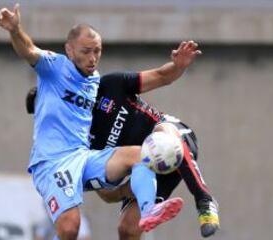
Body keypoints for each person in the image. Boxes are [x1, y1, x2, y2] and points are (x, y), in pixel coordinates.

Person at [0, 4, 198, 239]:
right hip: (51, 162)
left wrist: (178, 66)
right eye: (86, 51)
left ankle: (148, 209)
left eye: (97, 51)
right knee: (71, 228)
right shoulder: (55, 67)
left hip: (83, 156)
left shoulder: (95, 81)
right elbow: (28, 50)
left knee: (142, 154)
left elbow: (160, 76)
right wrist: (15, 30)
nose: (93, 59)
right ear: (69, 50)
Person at [25, 44, 215, 238]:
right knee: (127, 229)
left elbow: (161, 76)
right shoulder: (78, 144)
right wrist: (126, 189)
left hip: (177, 140)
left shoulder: (108, 86)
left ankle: (204, 201)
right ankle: (149, 205)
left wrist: (178, 66)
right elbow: (107, 194)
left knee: (162, 139)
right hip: (148, 172)